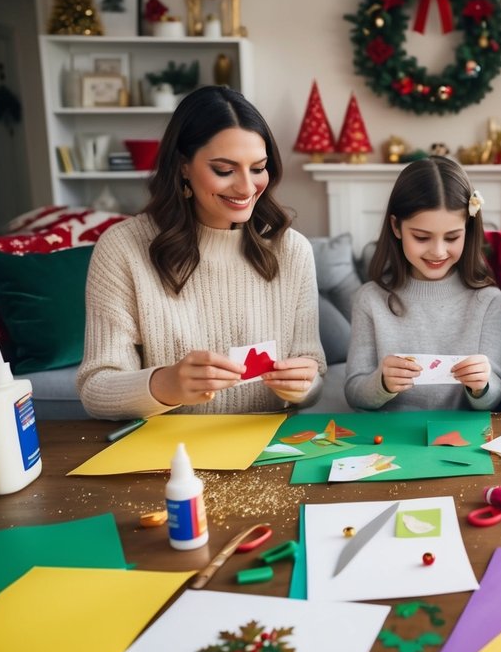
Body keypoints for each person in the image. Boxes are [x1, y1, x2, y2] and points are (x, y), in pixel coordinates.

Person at [78, 86, 325, 419]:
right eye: (224, 170)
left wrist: (302, 386)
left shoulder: (292, 250)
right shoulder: (123, 249)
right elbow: (96, 388)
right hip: (170, 454)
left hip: (269, 450)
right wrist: (164, 385)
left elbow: (315, 375)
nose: (247, 188)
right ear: (183, 167)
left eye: (258, 168)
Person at [345, 157, 501, 412]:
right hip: (389, 439)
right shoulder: (370, 299)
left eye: (452, 237)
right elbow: (354, 392)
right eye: (421, 237)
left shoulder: (487, 299)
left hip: (462, 440)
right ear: (396, 226)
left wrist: (482, 384)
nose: (438, 251)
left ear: (468, 229)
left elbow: (494, 395)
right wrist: (382, 383)